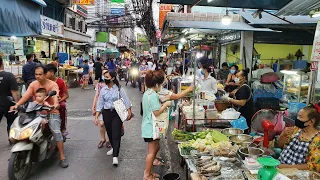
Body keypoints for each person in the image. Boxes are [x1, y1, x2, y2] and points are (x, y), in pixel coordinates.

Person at [10, 65, 69, 168]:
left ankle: (62, 157)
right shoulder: (33, 84)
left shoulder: (52, 85)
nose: (37, 76)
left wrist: (55, 104)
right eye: (36, 74)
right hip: (36, 112)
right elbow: (25, 96)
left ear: (45, 74)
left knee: (56, 132)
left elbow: (55, 96)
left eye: (40, 74)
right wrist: (17, 105)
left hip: (51, 112)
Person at [95, 70, 132, 165]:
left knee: (116, 134)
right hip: (106, 113)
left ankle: (115, 155)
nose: (105, 79)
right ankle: (113, 148)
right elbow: (100, 103)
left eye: (107, 77)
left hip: (116, 113)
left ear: (113, 78)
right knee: (110, 133)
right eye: (104, 77)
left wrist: (129, 111)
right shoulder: (103, 90)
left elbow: (126, 100)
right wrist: (96, 116)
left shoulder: (119, 89)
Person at [142, 70, 172, 180]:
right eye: (160, 84)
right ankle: (147, 174)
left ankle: (149, 172)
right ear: (156, 84)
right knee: (151, 152)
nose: (161, 86)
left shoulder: (147, 93)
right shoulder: (153, 95)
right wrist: (166, 104)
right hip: (151, 127)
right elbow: (156, 112)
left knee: (156, 147)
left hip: (148, 126)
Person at [277, 105, 320, 172]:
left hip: (296, 174)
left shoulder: (317, 140)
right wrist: (283, 135)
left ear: (311, 122)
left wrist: (287, 167)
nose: (297, 119)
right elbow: (280, 145)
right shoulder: (296, 130)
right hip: (280, 167)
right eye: (297, 116)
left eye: (300, 117)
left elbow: (313, 166)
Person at [222, 68, 254, 134]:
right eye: (235, 76)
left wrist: (230, 99)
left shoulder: (244, 88)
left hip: (244, 117)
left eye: (237, 77)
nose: (235, 78)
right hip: (241, 115)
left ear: (243, 77)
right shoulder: (241, 87)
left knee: (241, 134)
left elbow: (242, 103)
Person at [46, 64, 69, 138]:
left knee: (62, 106)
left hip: (59, 101)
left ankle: (63, 128)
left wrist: (58, 101)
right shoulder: (44, 82)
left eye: (46, 72)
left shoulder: (60, 82)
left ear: (52, 73)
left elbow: (66, 95)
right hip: (47, 101)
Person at [0, 56, 20, 144]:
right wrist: (17, 103)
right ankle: (11, 138)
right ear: (2, 63)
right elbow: (14, 92)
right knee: (11, 122)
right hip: (9, 103)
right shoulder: (9, 76)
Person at [92, 69, 111, 149]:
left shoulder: (111, 84)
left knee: (108, 124)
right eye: (103, 74)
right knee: (102, 124)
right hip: (100, 106)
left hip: (109, 107)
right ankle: (102, 139)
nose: (104, 76)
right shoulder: (99, 85)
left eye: (106, 74)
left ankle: (107, 140)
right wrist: (93, 106)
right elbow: (96, 96)